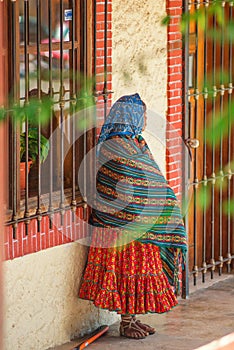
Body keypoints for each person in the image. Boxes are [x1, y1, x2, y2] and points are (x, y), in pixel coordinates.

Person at [79, 93, 187, 339]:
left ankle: (133, 319)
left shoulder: (136, 142)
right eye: (143, 115)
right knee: (128, 271)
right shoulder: (114, 144)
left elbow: (150, 178)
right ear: (131, 116)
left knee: (140, 270)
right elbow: (125, 183)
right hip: (119, 225)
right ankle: (125, 323)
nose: (146, 120)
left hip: (139, 223)